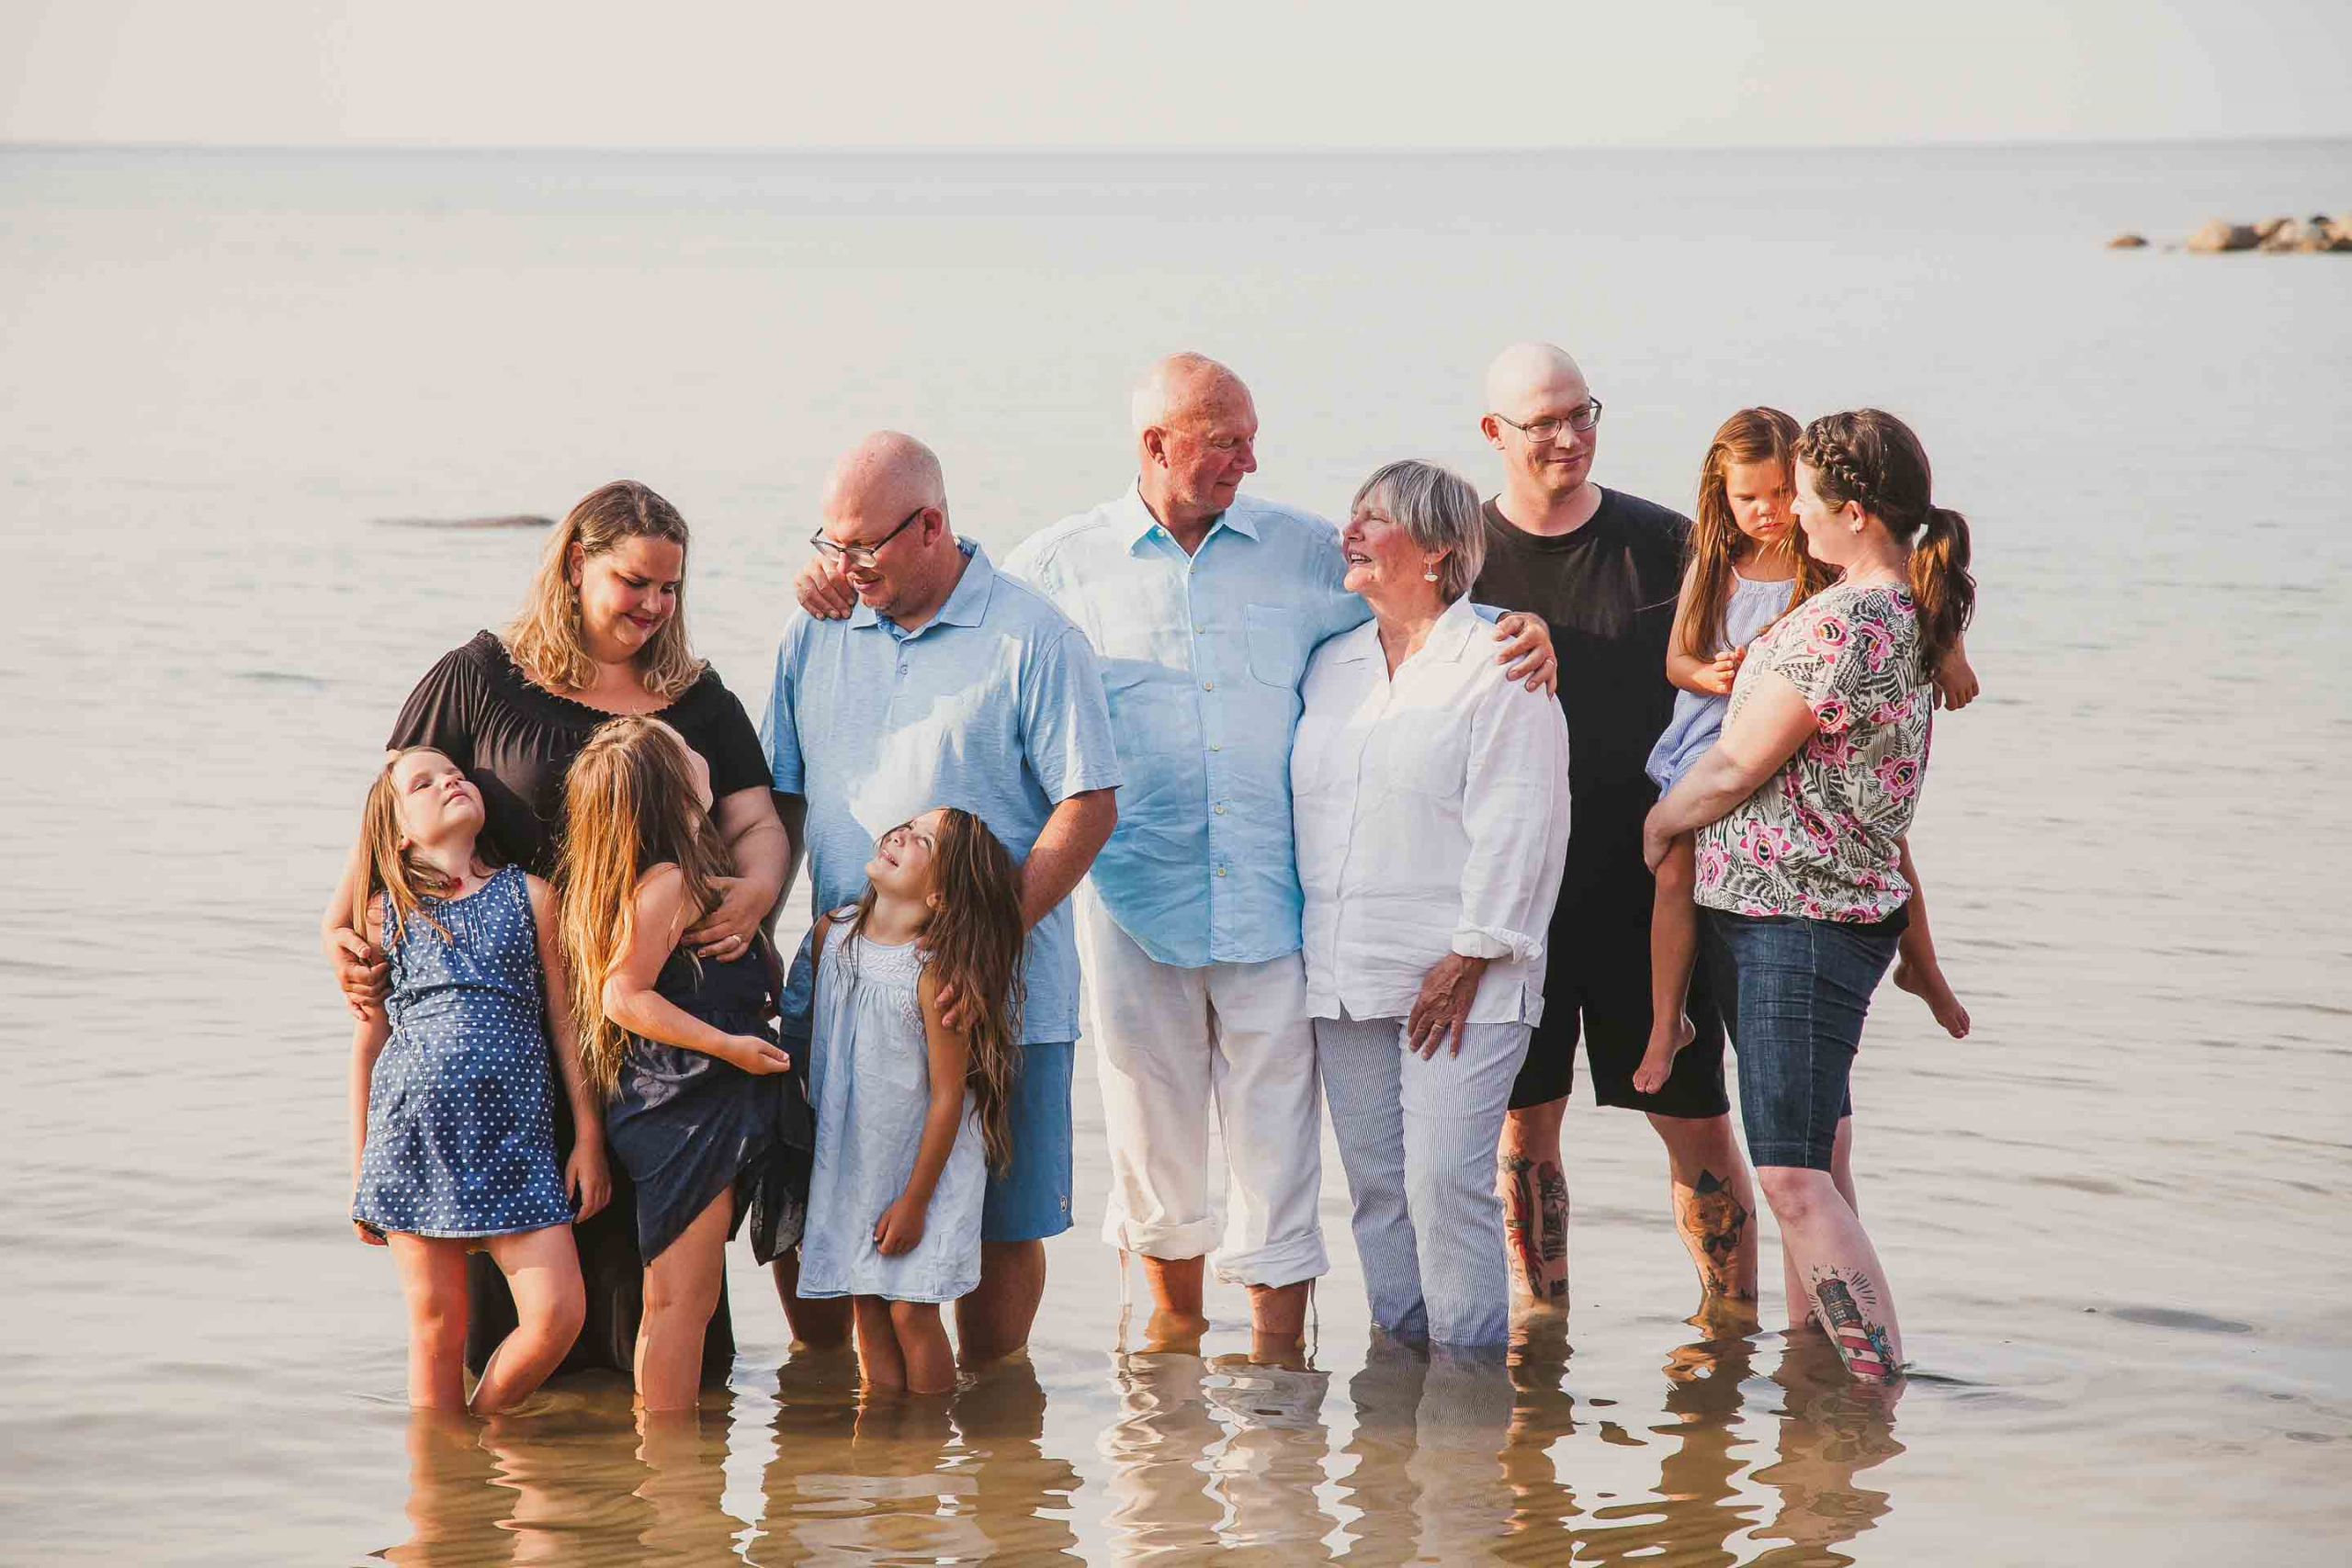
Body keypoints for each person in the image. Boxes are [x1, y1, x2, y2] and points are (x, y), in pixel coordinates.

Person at [992, 354, 1557, 1350]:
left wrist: (1526, 624)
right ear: (1155, 445)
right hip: (1131, 905)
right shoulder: (1055, 566)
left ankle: (1278, 1385)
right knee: (1150, 1153)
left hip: (1274, 911)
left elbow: (1433, 616)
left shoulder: (1304, 551)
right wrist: (839, 572)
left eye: (1250, 438)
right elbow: (966, 637)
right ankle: (1169, 1376)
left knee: (1282, 1160)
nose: (1248, 461)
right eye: (1224, 442)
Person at [322, 479, 790, 1380]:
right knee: (515, 1308)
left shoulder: (693, 698)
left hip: (661, 1029)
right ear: (577, 563)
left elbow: (756, 820)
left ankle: (655, 1489)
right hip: (510, 1031)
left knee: (668, 1298)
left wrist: (757, 890)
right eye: (634, 582)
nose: (653, 607)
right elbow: (388, 811)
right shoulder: (480, 676)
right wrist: (334, 928)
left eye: (670, 589)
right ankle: (502, 1481)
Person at [763, 432, 1121, 1362]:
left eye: (863, 546)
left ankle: (995, 1438)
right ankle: (828, 1408)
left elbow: (1088, 805)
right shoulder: (816, 629)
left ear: (931, 526)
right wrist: (753, 934)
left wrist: (984, 940)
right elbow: (782, 800)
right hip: (838, 989)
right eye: (830, 545)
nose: (843, 567)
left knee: (998, 1220)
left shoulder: (1033, 638)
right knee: (812, 1201)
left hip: (995, 991)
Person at [1644, 407, 1978, 1382]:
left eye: (1803, 496)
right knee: (1820, 1164)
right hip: (1837, 914)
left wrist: (1663, 824)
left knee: (1789, 1175)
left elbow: (1737, 764)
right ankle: (1818, 1377)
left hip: (1795, 923)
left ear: (1855, 512)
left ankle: (1871, 1392)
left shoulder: (1837, 625)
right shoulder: (1907, 611)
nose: (1789, 510)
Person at [1470, 341, 1758, 1313]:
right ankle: (1537, 1331)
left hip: (1651, 895)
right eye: (1540, 422)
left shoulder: (1669, 545)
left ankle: (1730, 1333)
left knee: (1695, 1120)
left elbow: (1787, 622)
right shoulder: (1457, 558)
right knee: (1523, 1130)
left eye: (1579, 413)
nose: (1566, 437)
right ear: (1493, 436)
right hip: (1516, 899)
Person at [1295, 460, 1570, 1347]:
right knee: (1377, 1190)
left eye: (1373, 518)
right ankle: (1395, 1395)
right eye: (1353, 512)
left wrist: (1470, 955)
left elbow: (1522, 822)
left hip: (1466, 976)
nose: (1351, 531)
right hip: (1344, 969)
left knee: (1445, 1184)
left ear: (1440, 548)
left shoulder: (1498, 662)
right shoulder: (1329, 663)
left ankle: (1466, 1400)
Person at [1641, 410, 1977, 1097]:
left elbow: (1913, 589)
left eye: (1784, 492)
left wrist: (1952, 653)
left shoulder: (1823, 563)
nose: (1774, 510)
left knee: (1889, 841)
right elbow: (1678, 658)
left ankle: (1925, 966)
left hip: (1790, 738)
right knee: (1674, 868)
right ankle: (1665, 1020)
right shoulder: (1717, 561)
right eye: (1750, 498)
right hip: (1716, 727)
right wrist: (1708, 674)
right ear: (1721, 496)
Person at [346, 746, 606, 1412]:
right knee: (435, 1330)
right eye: (424, 782)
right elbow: (369, 1038)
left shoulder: (532, 896)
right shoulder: (383, 913)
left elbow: (564, 1022)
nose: (449, 782)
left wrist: (587, 1135)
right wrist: (360, 1166)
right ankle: (442, 1497)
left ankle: (490, 1423)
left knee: (557, 1314)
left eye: (456, 773)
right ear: (398, 831)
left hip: (514, 1140)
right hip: (416, 1140)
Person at [559, 716, 803, 1411]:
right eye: (686, 751)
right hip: (683, 1105)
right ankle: (669, 1473)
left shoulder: (695, 870)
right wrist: (728, 1047)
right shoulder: (665, 882)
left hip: (709, 1097)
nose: (703, 752)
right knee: (679, 1299)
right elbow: (619, 993)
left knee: (688, 1295)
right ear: (673, 792)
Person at [797, 808, 1026, 1395]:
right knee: (866, 1307)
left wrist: (916, 1202)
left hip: (924, 1168)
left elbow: (951, 1095)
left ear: (945, 894)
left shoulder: (933, 972)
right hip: (857, 1159)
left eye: (923, 840)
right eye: (904, 824)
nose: (898, 833)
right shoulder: (833, 934)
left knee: (910, 1312)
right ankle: (880, 1452)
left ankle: (923, 1450)